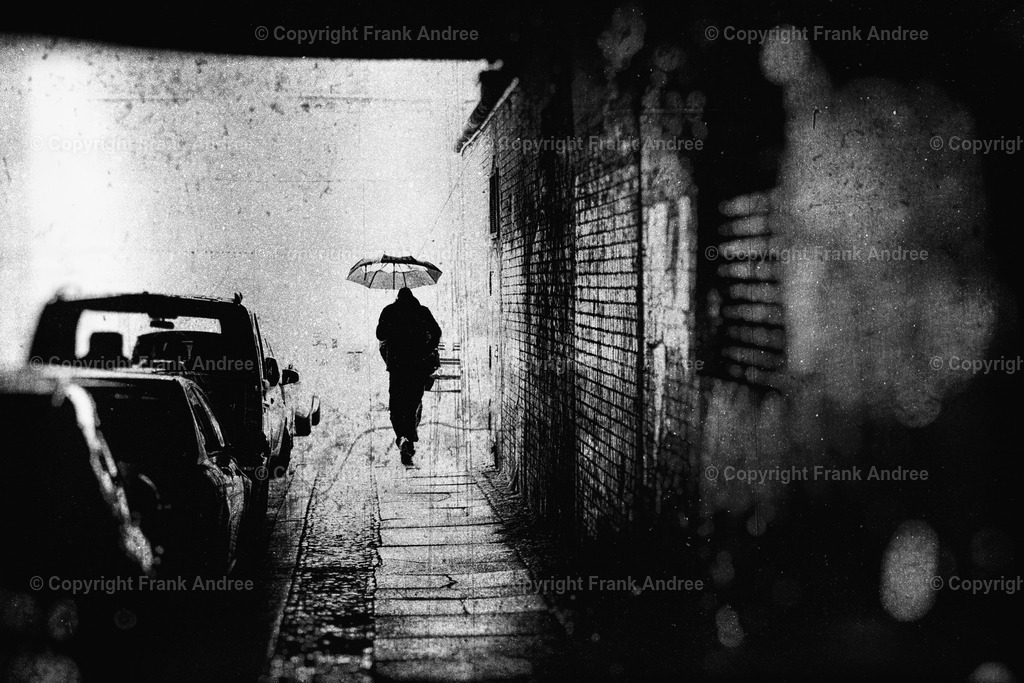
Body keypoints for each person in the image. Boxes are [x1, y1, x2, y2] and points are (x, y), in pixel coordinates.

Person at [376, 287, 441, 464]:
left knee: (396, 405)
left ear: (398, 297)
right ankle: (409, 437)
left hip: (397, 367)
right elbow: (436, 332)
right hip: (417, 365)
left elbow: (380, 334)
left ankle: (402, 437)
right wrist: (426, 349)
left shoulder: (389, 311)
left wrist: (391, 324)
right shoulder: (422, 311)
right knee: (413, 403)